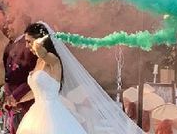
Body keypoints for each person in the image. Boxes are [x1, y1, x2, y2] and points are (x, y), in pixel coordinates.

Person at [17, 22, 146, 134]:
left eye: (29, 41)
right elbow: (38, 89)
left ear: (40, 40)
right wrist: (17, 100)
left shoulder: (52, 60)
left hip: (51, 114)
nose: (27, 46)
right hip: (36, 112)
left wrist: (40, 46)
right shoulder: (38, 61)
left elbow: (44, 54)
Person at [0, 0, 37, 132]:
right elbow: (1, 23)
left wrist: (15, 96)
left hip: (28, 108)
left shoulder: (29, 47)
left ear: (21, 22)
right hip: (14, 108)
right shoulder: (13, 43)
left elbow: (35, 76)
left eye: (10, 23)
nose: (6, 26)